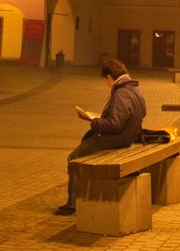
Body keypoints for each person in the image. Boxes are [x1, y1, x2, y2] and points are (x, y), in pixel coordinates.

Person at [54, 58, 146, 216]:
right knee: (84, 146)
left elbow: (115, 124)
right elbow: (141, 113)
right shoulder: (134, 89)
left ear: (110, 77)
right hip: (127, 137)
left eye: (106, 80)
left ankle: (73, 203)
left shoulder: (121, 93)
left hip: (115, 139)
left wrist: (94, 122)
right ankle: (78, 199)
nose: (107, 83)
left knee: (74, 158)